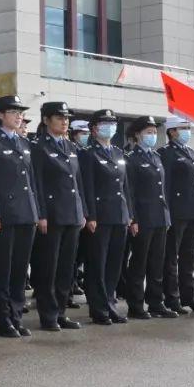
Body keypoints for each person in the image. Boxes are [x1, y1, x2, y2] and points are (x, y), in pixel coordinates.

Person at [29, 101, 87, 331]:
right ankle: (48, 315)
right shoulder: (39, 147)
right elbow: (38, 183)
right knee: (48, 268)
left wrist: (82, 210)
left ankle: (61, 311)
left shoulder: (71, 147)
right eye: (59, 118)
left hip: (72, 214)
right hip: (52, 215)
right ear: (46, 120)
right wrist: (41, 214)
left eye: (67, 118)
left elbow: (77, 183)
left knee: (66, 268)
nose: (65, 122)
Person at [0, 95, 36, 337]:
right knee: (2, 270)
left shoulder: (24, 144)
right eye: (13, 111)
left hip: (26, 213)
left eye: (20, 112)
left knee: (19, 270)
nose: (18, 115)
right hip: (5, 214)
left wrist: (36, 211)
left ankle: (15, 315)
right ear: (1, 115)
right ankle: (2, 320)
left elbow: (31, 182)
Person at [77, 109, 131, 325]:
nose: (109, 126)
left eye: (112, 123)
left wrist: (130, 214)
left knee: (114, 265)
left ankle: (110, 303)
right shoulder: (88, 154)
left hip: (119, 215)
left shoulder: (118, 153)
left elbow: (125, 187)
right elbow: (87, 187)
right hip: (100, 217)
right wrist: (90, 215)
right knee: (97, 265)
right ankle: (98, 308)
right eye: (104, 123)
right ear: (94, 129)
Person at [123, 116, 175, 319]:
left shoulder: (156, 157)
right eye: (148, 132)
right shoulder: (131, 158)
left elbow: (163, 190)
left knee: (157, 263)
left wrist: (167, 215)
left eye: (154, 132)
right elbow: (130, 192)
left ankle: (156, 302)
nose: (152, 136)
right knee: (139, 263)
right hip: (143, 219)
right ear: (137, 134)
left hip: (160, 218)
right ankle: (135, 305)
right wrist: (133, 218)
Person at [159, 116, 194, 314]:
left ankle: (189, 297)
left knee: (188, 257)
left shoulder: (190, 152)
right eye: (183, 128)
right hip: (177, 212)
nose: (188, 131)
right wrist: (167, 213)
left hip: (193, 212)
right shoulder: (166, 154)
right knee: (171, 259)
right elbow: (166, 187)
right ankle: (172, 298)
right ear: (172, 132)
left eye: (189, 127)